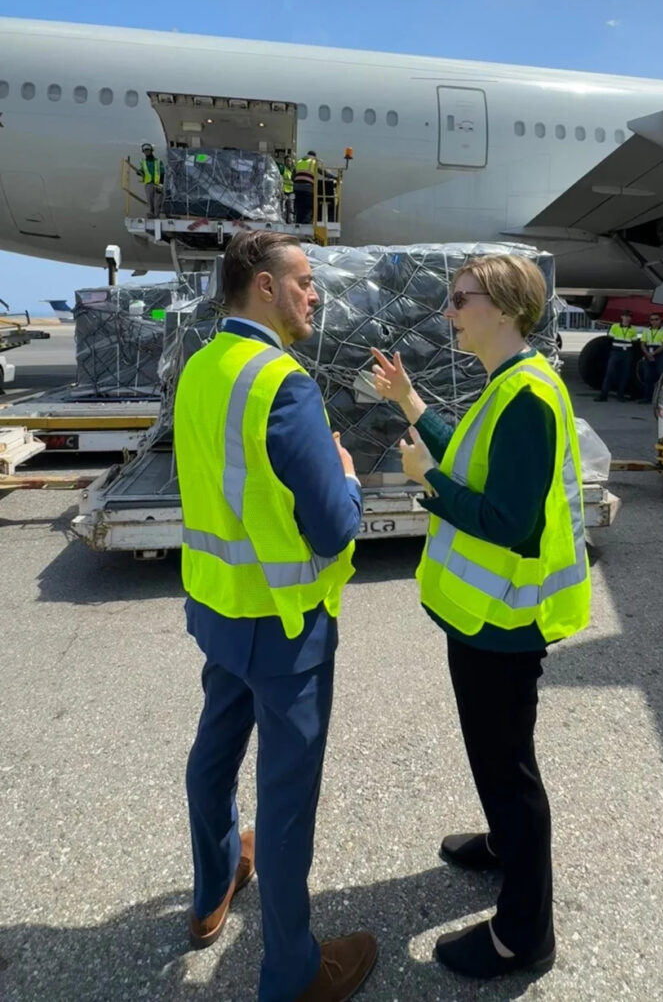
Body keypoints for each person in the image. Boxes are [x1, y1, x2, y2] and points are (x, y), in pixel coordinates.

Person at [370, 254, 590, 982]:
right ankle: (502, 842)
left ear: (503, 307)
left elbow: (509, 523)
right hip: (482, 619)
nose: (450, 312)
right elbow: (473, 464)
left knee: (508, 768)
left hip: (503, 624)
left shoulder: (525, 396)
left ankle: (524, 936)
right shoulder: (507, 383)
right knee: (494, 759)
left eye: (460, 299)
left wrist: (427, 481)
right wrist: (410, 400)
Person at [174, 231, 377, 1002]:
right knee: (287, 807)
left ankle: (212, 891)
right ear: (263, 286)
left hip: (219, 608)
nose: (314, 293)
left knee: (214, 754)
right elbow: (333, 526)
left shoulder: (201, 366)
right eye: (303, 280)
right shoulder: (282, 383)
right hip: (285, 625)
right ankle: (292, 973)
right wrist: (347, 475)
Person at [595, 309, 638, 402]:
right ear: (621, 317)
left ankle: (620, 395)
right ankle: (603, 395)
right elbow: (610, 338)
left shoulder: (633, 329)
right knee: (609, 373)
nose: (627, 318)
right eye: (625, 316)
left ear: (631, 319)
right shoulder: (615, 327)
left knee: (624, 374)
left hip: (627, 353)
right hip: (616, 352)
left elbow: (634, 341)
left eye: (629, 317)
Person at [639, 310, 663, 403]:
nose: (654, 321)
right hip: (648, 352)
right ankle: (647, 398)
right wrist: (647, 354)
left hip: (660, 353)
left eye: (656, 319)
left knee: (661, 376)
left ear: (660, 320)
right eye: (652, 319)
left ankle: (662, 399)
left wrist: (654, 353)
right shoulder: (646, 330)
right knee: (647, 376)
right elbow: (642, 344)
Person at [138, 142, 165, 218]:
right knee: (150, 202)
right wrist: (139, 172)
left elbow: (162, 173)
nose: (147, 152)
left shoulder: (158, 161)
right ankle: (151, 214)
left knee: (157, 202)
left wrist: (161, 185)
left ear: (151, 150)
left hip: (157, 184)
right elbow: (142, 170)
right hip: (148, 185)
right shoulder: (143, 162)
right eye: (145, 151)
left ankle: (156, 216)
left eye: (148, 150)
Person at [293, 150, 318, 224]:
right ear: (314, 156)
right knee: (308, 206)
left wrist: (298, 182)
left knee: (299, 206)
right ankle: (306, 223)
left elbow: (292, 176)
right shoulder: (313, 162)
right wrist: (334, 177)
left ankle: (298, 223)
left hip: (297, 188)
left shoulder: (299, 161)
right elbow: (323, 172)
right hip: (307, 187)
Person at [278, 153, 295, 223]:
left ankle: (290, 221)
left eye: (290, 161)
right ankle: (283, 221)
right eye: (287, 161)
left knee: (291, 207)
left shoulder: (293, 170)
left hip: (291, 191)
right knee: (283, 208)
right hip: (283, 191)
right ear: (285, 162)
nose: (289, 162)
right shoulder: (283, 169)